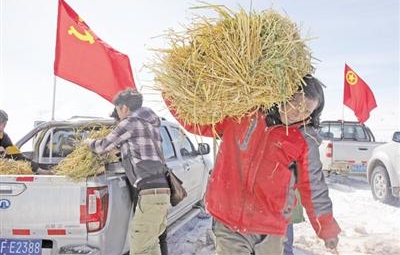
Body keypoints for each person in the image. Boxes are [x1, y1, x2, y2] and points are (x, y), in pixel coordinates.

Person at [166, 75, 341, 254]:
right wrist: (171, 90)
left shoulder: (304, 140)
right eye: (296, 103)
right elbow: (196, 121)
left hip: (270, 230)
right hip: (228, 222)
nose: (298, 113)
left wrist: (326, 228)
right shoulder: (243, 115)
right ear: (284, 95)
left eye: (306, 111)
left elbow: (313, 186)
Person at [84, 88, 170, 255]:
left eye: (117, 109)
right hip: (162, 191)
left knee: (139, 247)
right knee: (151, 245)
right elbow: (137, 150)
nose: (118, 113)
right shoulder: (151, 125)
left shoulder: (129, 122)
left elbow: (102, 146)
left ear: (124, 108)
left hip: (149, 193)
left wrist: (87, 142)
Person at [110, 106, 169, 255]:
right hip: (155, 194)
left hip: (148, 195)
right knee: (154, 240)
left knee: (143, 246)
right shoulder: (149, 132)